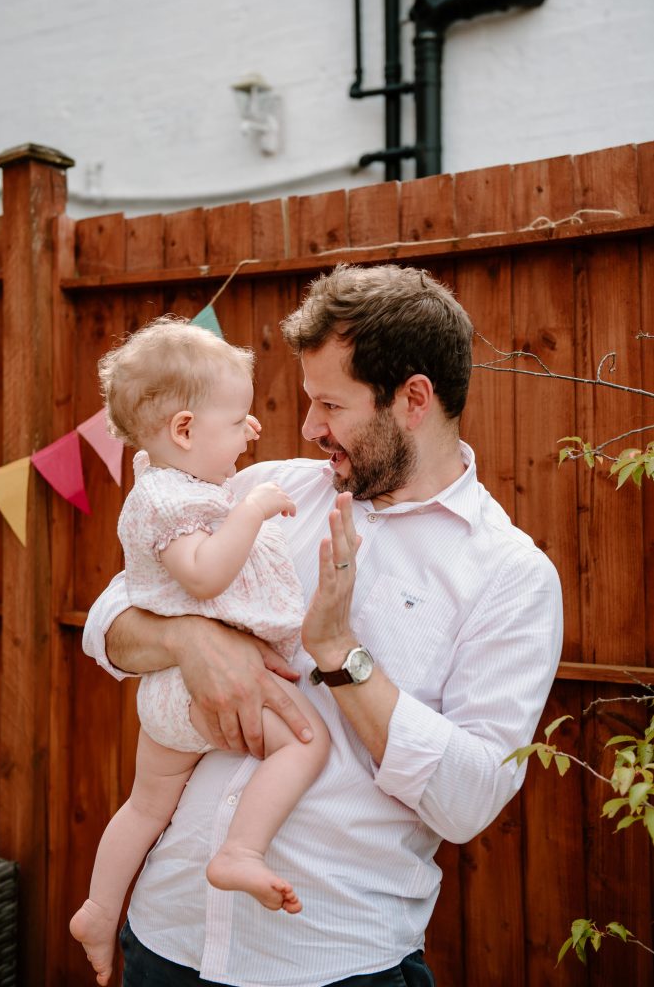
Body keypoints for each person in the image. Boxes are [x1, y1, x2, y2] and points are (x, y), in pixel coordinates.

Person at [83, 264, 564, 987]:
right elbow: (109, 620)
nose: (309, 428)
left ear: (412, 400)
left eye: (329, 405)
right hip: (163, 938)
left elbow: (467, 802)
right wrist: (188, 639)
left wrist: (340, 654)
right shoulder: (259, 492)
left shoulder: (509, 576)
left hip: (330, 963)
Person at [70, 316, 330, 986]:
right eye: (239, 418)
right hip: (187, 695)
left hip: (171, 698)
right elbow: (204, 575)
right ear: (184, 431)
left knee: (147, 806)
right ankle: (241, 850)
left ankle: (100, 909)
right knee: (306, 744)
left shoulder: (175, 487)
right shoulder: (172, 500)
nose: (254, 430)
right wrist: (250, 511)